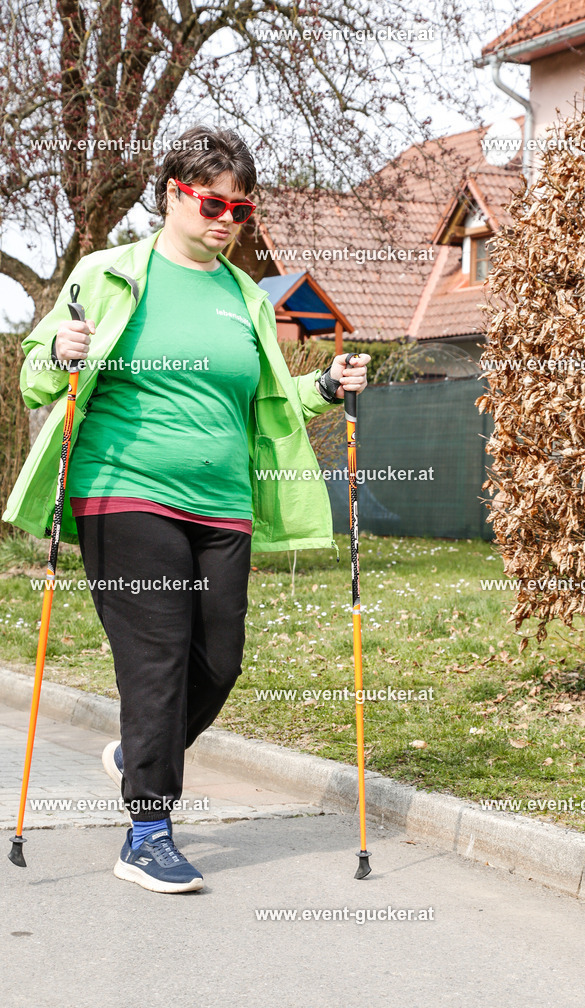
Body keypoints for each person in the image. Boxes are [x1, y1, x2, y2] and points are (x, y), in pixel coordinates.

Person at [4, 124, 369, 893]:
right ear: (172, 196)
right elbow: (38, 373)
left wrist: (326, 388)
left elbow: (266, 401)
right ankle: (147, 829)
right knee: (157, 656)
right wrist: (62, 353)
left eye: (241, 209)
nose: (226, 220)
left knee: (220, 660)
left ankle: (142, 750)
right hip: (124, 490)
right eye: (212, 203)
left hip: (224, 504)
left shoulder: (243, 296)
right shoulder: (109, 274)